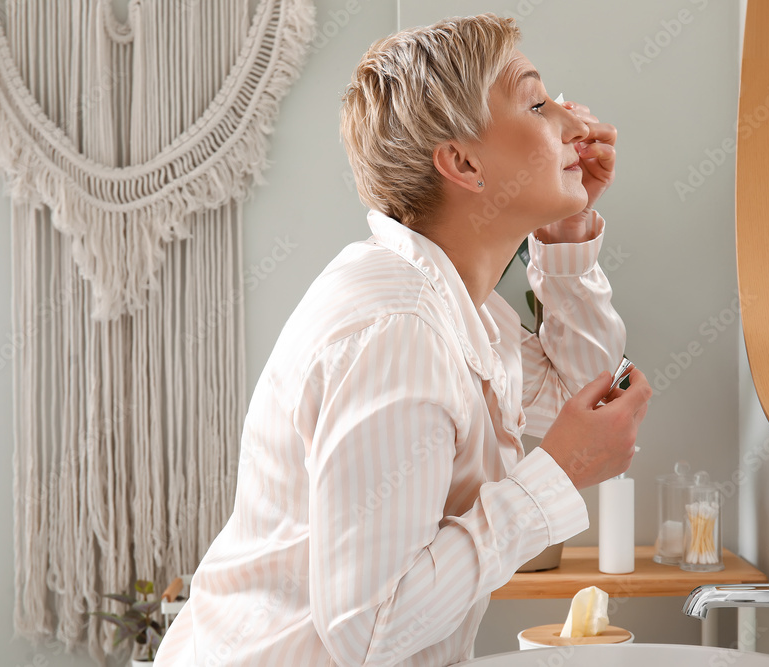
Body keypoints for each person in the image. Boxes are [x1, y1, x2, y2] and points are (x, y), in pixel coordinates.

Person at [154, 12, 652, 666]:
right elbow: (370, 630)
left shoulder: (462, 311)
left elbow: (584, 389)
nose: (573, 122)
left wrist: (566, 236)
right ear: (464, 162)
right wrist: (556, 474)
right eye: (536, 101)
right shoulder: (400, 329)